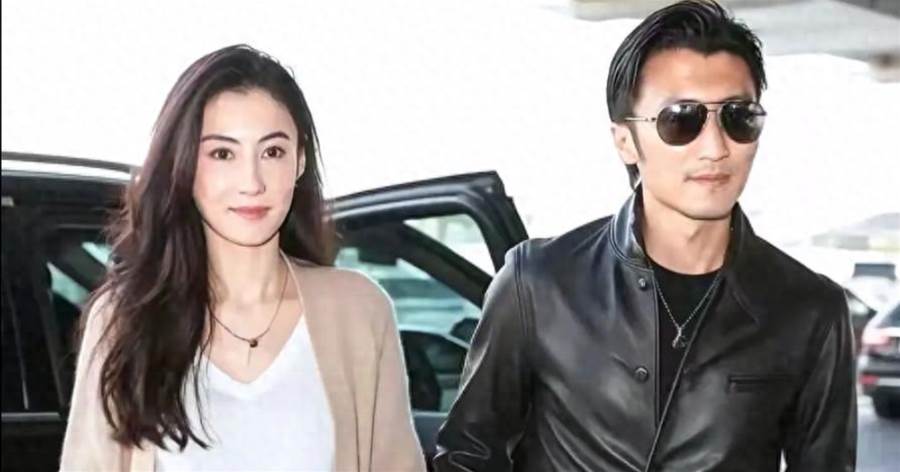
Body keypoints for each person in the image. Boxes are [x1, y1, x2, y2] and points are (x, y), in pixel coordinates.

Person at [433, 1, 856, 470]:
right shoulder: (538, 281)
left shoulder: (810, 309)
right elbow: (468, 456)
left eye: (739, 117)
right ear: (625, 141)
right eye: (681, 119)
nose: (715, 148)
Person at [60, 44, 425, 471]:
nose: (251, 182)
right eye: (222, 154)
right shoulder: (124, 318)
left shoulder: (358, 311)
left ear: (300, 160)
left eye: (272, 152)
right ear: (184, 165)